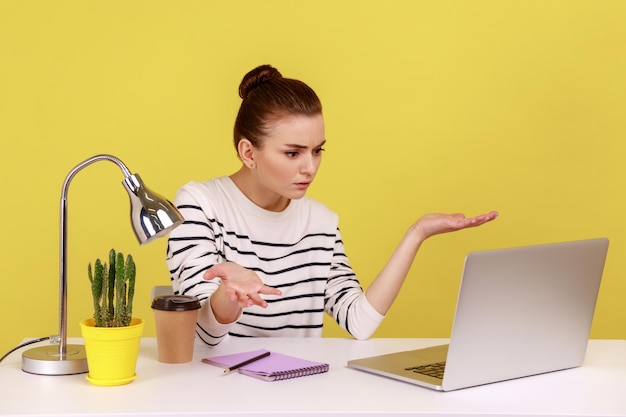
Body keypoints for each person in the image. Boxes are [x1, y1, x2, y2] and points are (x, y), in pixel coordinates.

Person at [166, 64, 498, 346]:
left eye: (318, 150)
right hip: (216, 392)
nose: (309, 167)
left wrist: (416, 234)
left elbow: (359, 322)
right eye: (293, 153)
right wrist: (230, 293)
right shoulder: (200, 204)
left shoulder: (320, 222)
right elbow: (203, 330)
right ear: (249, 152)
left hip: (298, 391)